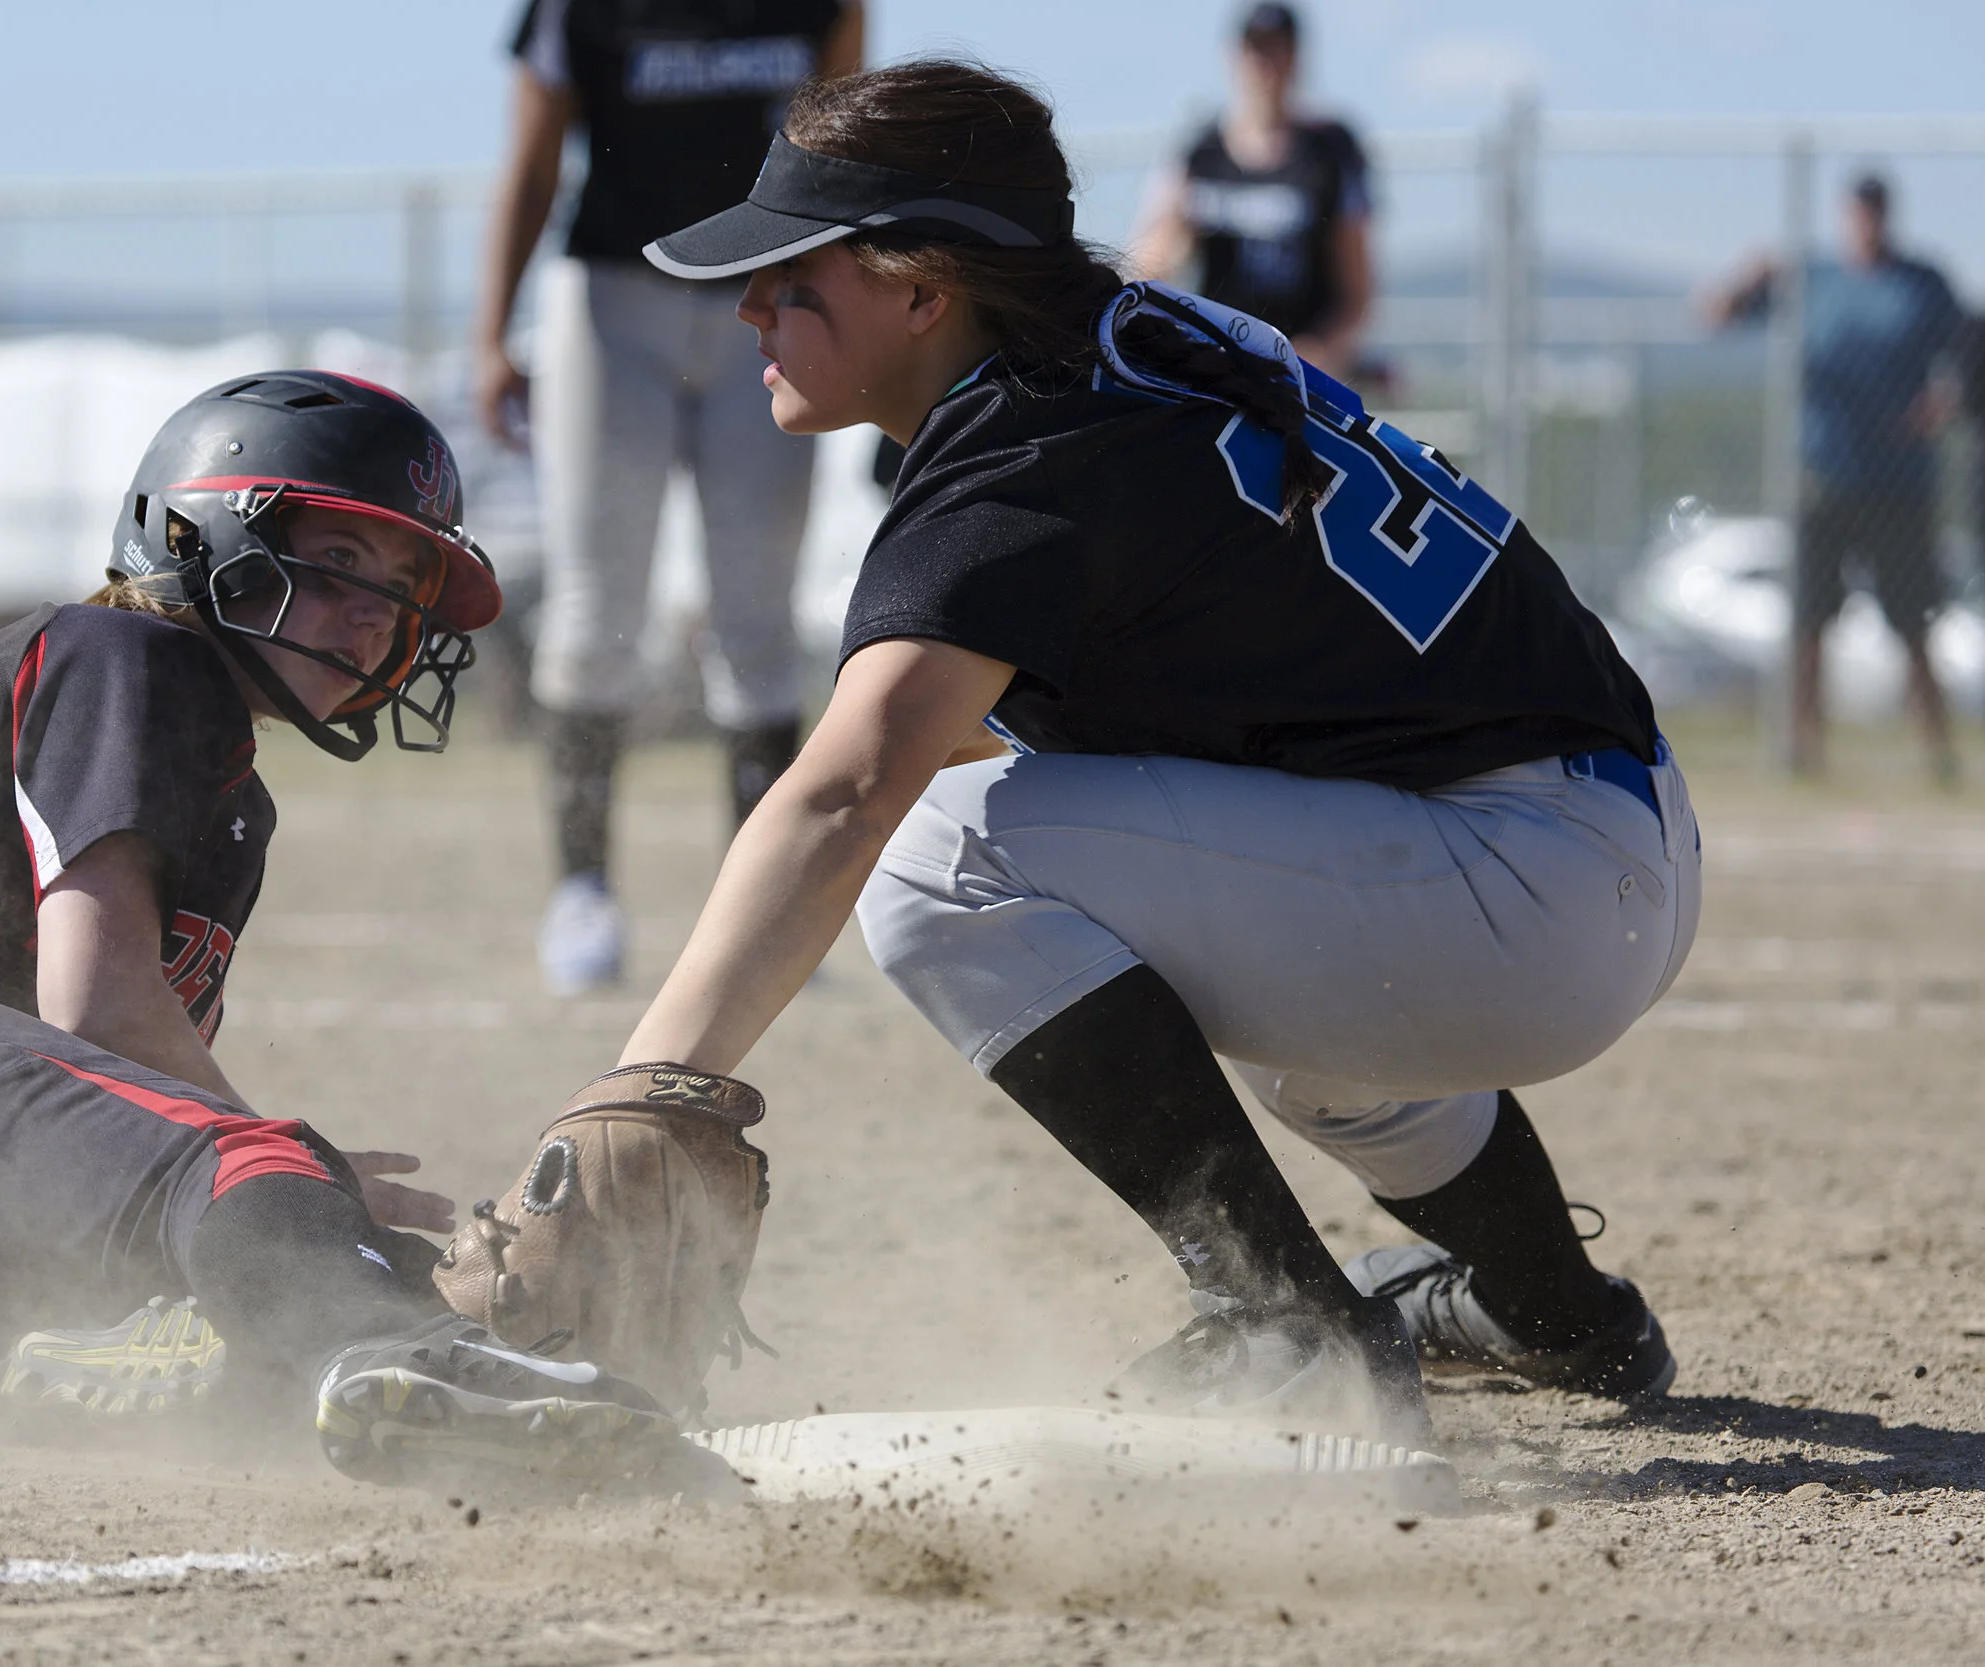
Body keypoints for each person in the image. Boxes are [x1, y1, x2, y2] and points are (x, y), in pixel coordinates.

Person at [599, 59, 1697, 1438]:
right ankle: (1563, 1312)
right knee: (1277, 980)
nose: (751, 305)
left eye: (796, 274)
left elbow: (850, 794)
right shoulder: (1136, 338)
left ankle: (1289, 1325)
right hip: (1588, 831)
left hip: (1517, 877)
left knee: (942, 862)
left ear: (926, 290)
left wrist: (652, 1083)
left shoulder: (1030, 451)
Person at [0, 372, 676, 1488]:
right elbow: (97, 1009)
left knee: (281, 1316)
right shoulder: (129, 655)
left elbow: (92, 1088)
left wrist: (335, 1238)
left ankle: (380, 1372)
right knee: (263, 1183)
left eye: (399, 586)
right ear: (203, 536)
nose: (377, 611)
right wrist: (295, 1180)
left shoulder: (234, 798)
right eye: (340, 561)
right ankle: (415, 1358)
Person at [475, 0, 865, 995]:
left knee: (757, 606)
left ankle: (767, 903)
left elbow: (848, 155)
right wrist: (491, 334)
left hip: (765, 301)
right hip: (614, 300)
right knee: (599, 602)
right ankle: (584, 891)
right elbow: (533, 156)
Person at [1708, 173, 1965, 783]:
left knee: (1913, 621)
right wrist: (1750, 276)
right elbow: (1717, 315)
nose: (1868, 223)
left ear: (1888, 215)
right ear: (1845, 215)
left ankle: (1938, 751)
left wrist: (1943, 402)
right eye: (1859, 212)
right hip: (1824, 477)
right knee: (1809, 620)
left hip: (1899, 483)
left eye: (1877, 212)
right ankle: (1802, 746)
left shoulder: (1923, 284)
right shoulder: (1816, 279)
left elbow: (1968, 355)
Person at [1130, 2, 1372, 383]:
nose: (1266, 63)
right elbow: (1154, 257)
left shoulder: (1329, 153)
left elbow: (1356, 288)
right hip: (1221, 358)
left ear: (1296, 57)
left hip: (1305, 361)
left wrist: (1326, 350)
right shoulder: (1200, 153)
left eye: (1278, 48)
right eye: (1255, 48)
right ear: (1235, 55)